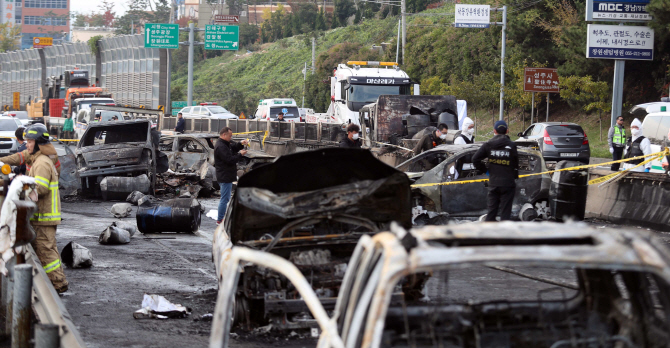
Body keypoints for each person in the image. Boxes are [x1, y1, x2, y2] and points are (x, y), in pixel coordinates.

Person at [0, 124, 68, 292]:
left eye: (30, 142)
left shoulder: (42, 163)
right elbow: (19, 156)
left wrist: (21, 186)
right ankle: (56, 283)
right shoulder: (36, 157)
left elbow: (41, 189)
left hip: (45, 217)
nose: (26, 144)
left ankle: (58, 285)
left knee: (46, 251)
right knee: (47, 250)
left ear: (38, 144)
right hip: (42, 217)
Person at [472, 120, 519, 222]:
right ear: (507, 131)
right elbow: (516, 165)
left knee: (492, 212)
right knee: (505, 213)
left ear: (494, 131)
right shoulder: (511, 145)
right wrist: (513, 176)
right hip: (508, 183)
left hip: (494, 183)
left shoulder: (488, 145)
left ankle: (489, 235)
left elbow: (475, 159)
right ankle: (504, 236)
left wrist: (486, 170)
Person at [214, 127, 248, 225]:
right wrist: (240, 155)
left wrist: (240, 144)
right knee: (224, 199)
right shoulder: (221, 146)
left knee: (226, 198)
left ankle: (222, 218)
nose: (231, 137)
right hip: (224, 175)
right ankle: (220, 220)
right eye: (230, 136)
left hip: (226, 175)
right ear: (224, 135)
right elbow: (229, 160)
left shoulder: (225, 144)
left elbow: (233, 147)